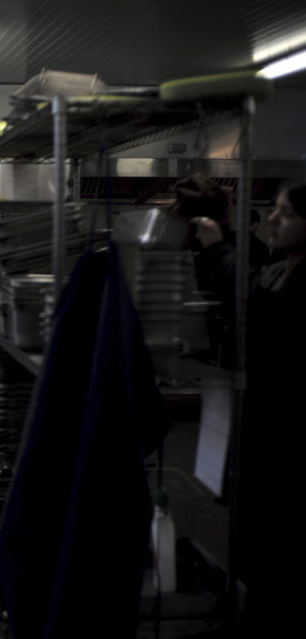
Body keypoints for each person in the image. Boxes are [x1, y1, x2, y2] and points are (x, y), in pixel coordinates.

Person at [191, 182, 306, 635]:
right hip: (258, 424)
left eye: (286, 213)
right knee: (254, 535)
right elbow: (245, 295)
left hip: (286, 432)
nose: (274, 219)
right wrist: (226, 226)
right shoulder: (278, 271)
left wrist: (221, 247)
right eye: (273, 211)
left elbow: (268, 317)